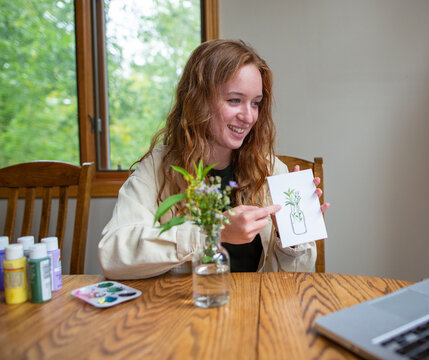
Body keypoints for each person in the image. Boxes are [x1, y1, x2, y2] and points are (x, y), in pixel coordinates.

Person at [98, 39, 329, 280]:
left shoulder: (271, 170)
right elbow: (112, 255)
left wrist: (289, 238)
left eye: (256, 103)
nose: (249, 116)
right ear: (199, 101)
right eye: (234, 100)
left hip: (257, 309)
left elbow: (300, 276)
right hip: (189, 309)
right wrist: (213, 232)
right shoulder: (158, 168)